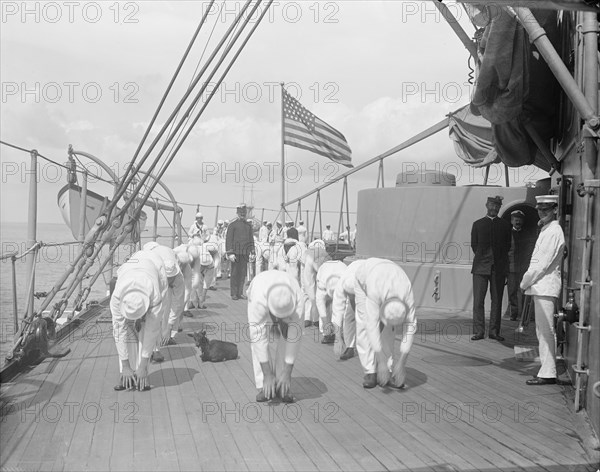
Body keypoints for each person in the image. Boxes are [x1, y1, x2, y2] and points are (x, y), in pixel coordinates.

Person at [520, 195, 565, 386]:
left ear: (555, 210)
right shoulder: (547, 229)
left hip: (545, 286)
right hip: (542, 287)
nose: (542, 212)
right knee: (543, 331)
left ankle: (548, 373)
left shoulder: (553, 231)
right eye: (540, 209)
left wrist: (524, 282)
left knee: (546, 331)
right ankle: (547, 370)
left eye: (546, 209)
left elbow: (540, 265)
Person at [354, 258, 417, 389]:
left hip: (389, 272)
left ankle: (387, 370)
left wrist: (401, 363)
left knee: (389, 330)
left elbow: (410, 328)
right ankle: (370, 372)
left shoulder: (407, 294)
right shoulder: (375, 289)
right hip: (364, 278)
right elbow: (372, 326)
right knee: (364, 324)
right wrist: (380, 361)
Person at [110, 249, 168, 391]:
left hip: (155, 267)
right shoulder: (117, 298)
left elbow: (151, 331)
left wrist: (143, 366)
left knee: (145, 327)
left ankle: (143, 374)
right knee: (127, 329)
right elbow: (118, 331)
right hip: (132, 265)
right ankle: (126, 374)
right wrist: (125, 365)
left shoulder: (155, 296)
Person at [247, 270, 305, 402]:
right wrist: (267, 373)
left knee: (287, 334)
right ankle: (264, 383)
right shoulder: (258, 299)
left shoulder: (298, 299)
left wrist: (288, 372)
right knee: (257, 341)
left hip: (285, 294)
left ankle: (281, 383)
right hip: (260, 290)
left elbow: (295, 337)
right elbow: (257, 336)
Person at [470, 195, 512, 341]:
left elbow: (507, 246)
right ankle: (479, 331)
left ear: (499, 208)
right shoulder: (478, 224)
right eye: (492, 205)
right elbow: (474, 245)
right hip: (480, 268)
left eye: (497, 206)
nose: (494, 208)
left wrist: (501, 264)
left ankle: (494, 331)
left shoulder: (505, 225)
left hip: (498, 268)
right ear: (487, 206)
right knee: (478, 301)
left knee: (497, 300)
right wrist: (484, 258)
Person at [142, 242, 185, 359]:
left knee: (166, 312)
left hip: (163, 280)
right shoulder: (150, 266)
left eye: (171, 278)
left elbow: (179, 303)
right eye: (168, 278)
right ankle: (153, 349)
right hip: (149, 283)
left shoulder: (178, 277)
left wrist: (169, 327)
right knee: (153, 315)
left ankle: (159, 344)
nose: (169, 280)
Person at [331, 259, 364, 360]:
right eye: (350, 296)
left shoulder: (369, 282)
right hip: (355, 272)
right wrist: (338, 338)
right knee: (349, 317)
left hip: (369, 287)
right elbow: (337, 312)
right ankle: (350, 347)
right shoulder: (341, 286)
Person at [506, 210, 536, 321]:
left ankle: (524, 315)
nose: (517, 221)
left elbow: (530, 251)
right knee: (512, 291)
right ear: (511, 221)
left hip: (524, 268)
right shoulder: (507, 234)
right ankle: (513, 314)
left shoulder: (527, 235)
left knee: (524, 291)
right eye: (515, 219)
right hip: (512, 268)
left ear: (522, 221)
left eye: (519, 219)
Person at [225, 203, 255, 300]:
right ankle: (234, 293)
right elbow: (228, 240)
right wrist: (230, 253)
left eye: (244, 213)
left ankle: (240, 293)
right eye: (241, 213)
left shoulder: (248, 226)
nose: (243, 214)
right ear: (237, 213)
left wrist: (252, 251)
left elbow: (251, 239)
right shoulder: (232, 225)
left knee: (242, 273)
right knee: (234, 273)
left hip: (245, 253)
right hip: (235, 253)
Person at [315, 260, 347, 344]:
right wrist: (326, 323)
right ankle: (327, 334)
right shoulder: (321, 283)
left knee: (343, 310)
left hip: (342, 280)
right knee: (325, 306)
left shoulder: (345, 281)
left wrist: (338, 337)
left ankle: (341, 333)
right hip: (325, 276)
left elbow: (339, 309)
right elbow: (320, 304)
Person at [301, 239, 330, 328]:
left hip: (308, 261)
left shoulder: (307, 251)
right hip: (320, 260)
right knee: (319, 292)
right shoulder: (323, 251)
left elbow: (302, 264)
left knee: (307, 292)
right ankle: (317, 319)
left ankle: (307, 318)